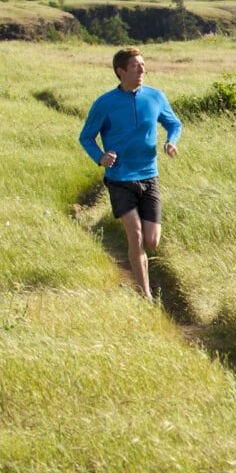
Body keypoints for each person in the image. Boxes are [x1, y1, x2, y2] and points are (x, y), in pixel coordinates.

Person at [79, 46, 182, 300]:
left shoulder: (155, 96)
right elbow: (86, 137)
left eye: (143, 65)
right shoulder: (105, 103)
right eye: (136, 66)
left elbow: (173, 123)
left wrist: (171, 141)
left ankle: (142, 284)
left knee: (152, 240)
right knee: (134, 234)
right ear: (121, 71)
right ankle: (144, 293)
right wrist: (100, 157)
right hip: (119, 179)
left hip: (149, 176)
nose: (142, 70)